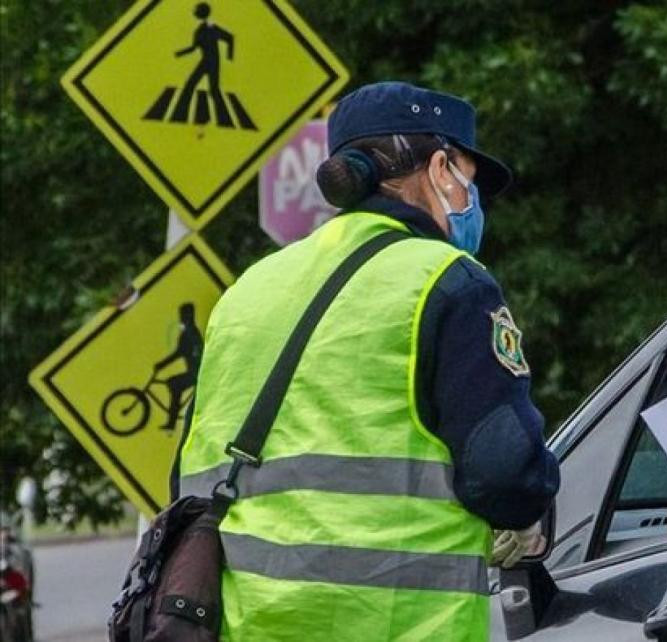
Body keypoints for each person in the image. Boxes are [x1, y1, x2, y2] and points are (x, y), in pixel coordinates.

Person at [175, 82, 559, 641]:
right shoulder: (447, 281)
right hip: (402, 627)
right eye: (471, 181)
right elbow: (505, 471)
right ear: (441, 167)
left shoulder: (248, 290)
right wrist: (527, 518)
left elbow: (188, 469)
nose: (474, 203)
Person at [153, 302, 202, 431]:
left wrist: (161, 365)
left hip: (197, 373)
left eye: (184, 315)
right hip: (196, 371)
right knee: (174, 385)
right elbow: (180, 352)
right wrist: (162, 364)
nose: (182, 318)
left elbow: (179, 353)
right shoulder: (189, 332)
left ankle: (172, 421)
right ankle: (172, 421)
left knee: (174, 384)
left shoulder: (190, 333)